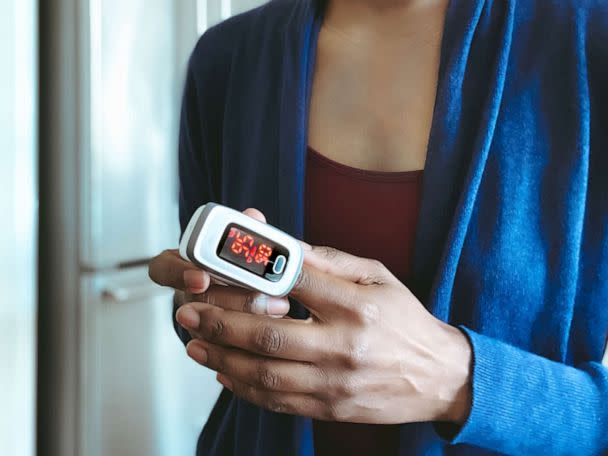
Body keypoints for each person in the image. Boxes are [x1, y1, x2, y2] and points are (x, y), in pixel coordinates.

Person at [148, 0, 608, 454]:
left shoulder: (591, 40)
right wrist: (204, 307)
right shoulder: (227, 57)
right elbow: (206, 292)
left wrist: (457, 381)